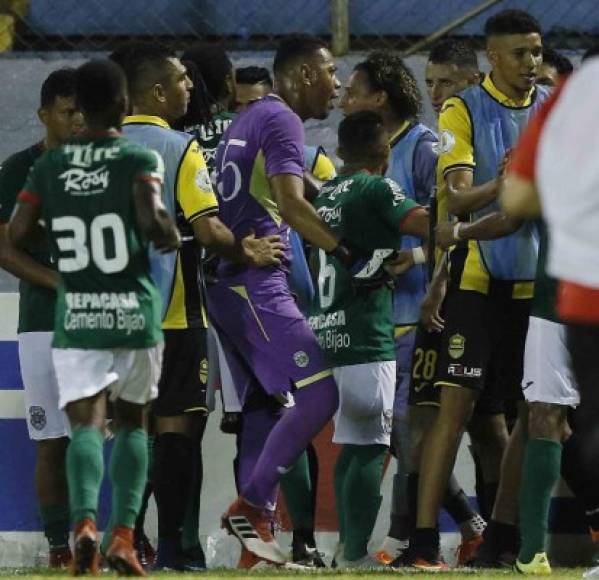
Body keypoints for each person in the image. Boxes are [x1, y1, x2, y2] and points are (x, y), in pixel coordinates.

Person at [8, 58, 181, 576]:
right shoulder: (138, 157)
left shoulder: (48, 167)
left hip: (78, 311)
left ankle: (82, 524)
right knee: (131, 424)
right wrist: (166, 233)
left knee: (84, 424)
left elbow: (15, 235)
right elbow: (154, 222)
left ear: (80, 108)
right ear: (126, 104)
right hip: (131, 308)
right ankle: (122, 535)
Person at [117, 43, 283, 571]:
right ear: (156, 92)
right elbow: (209, 229)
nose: (192, 87)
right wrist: (246, 247)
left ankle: (121, 539)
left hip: (111, 316)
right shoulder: (179, 146)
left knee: (129, 431)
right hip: (174, 312)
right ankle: (173, 550)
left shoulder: (95, 147)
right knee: (177, 431)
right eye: (182, 79)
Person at [209, 34, 360, 567]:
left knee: (265, 410)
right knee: (320, 396)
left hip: (228, 284)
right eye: (331, 72)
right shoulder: (282, 120)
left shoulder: (247, 119)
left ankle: (256, 545)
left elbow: (281, 192)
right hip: (257, 285)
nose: (337, 84)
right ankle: (251, 505)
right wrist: (347, 252)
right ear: (300, 76)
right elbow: (293, 207)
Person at [408, 10, 549, 569]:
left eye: (537, 50)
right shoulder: (463, 109)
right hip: (476, 279)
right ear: (493, 58)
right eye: (520, 52)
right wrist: (505, 182)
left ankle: (503, 536)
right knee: (457, 407)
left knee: (526, 413)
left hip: (536, 284)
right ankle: (422, 540)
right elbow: (458, 199)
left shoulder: (552, 109)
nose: (531, 62)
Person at [310, 110, 429, 568]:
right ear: (385, 153)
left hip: (328, 327)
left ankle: (345, 548)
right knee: (372, 445)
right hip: (367, 332)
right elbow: (424, 223)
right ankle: (356, 552)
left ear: (340, 151)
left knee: (354, 443)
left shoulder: (323, 195)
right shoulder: (378, 187)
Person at [517, 56, 599, 579]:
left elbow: (516, 198)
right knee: (548, 416)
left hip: (567, 298)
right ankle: (530, 554)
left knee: (559, 418)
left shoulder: (558, 130)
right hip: (558, 299)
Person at [0, 68, 83, 569]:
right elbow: (5, 250)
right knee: (51, 439)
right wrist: (61, 284)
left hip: (102, 321)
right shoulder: (17, 170)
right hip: (41, 323)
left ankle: (111, 536)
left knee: (98, 432)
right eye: (67, 112)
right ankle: (57, 545)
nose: (77, 121)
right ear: (44, 115)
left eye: (83, 112)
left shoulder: (101, 170)